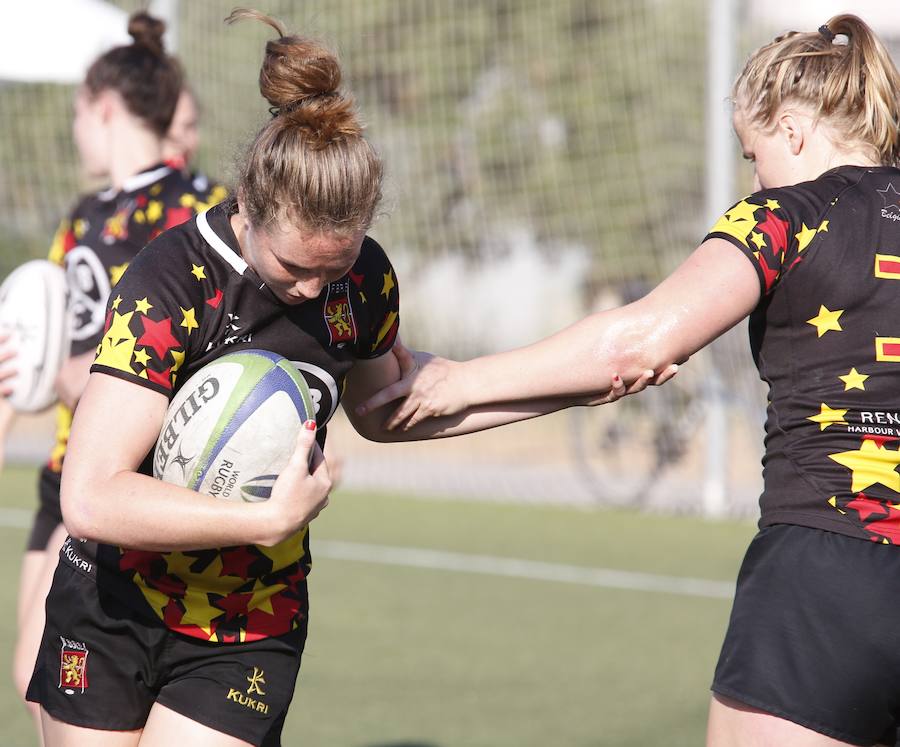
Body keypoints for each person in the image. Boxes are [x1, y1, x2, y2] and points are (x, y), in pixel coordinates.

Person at [23, 9, 662, 746]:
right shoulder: (170, 282)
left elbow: (389, 408)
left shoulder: (362, 283)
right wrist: (261, 521)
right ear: (249, 207)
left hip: (248, 621)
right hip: (113, 605)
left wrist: (571, 387)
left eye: (335, 266)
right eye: (294, 267)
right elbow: (92, 495)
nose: (311, 289)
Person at [359, 14, 900, 747]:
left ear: (794, 130)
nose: (754, 178)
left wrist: (455, 382)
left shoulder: (785, 217)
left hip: (823, 573)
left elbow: (638, 345)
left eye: (755, 154)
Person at [9, 9, 228, 738]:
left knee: (55, 672)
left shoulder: (197, 211)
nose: (75, 132)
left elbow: (208, 347)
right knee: (32, 674)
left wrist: (90, 374)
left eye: (77, 115)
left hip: (128, 478)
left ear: (102, 109)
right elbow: (45, 333)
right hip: (63, 468)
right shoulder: (83, 215)